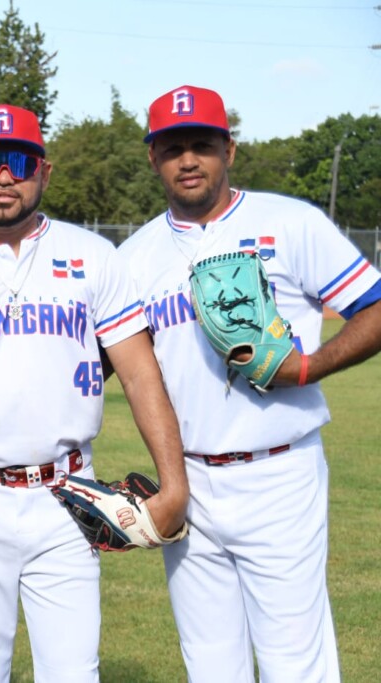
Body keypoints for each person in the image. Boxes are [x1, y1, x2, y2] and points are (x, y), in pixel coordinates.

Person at [0, 104, 189, 682]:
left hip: (67, 495)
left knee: (74, 672)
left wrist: (172, 482)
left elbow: (141, 371)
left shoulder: (94, 256)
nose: (4, 177)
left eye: (19, 163)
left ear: (43, 173)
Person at [119, 84, 381, 683]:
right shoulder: (134, 258)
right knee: (211, 665)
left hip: (279, 473)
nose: (189, 160)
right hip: (188, 481)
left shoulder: (289, 222)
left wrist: (310, 366)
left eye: (203, 145)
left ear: (229, 149)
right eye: (173, 147)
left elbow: (374, 306)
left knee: (295, 662)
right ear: (153, 157)